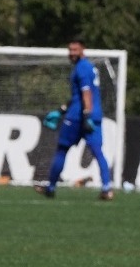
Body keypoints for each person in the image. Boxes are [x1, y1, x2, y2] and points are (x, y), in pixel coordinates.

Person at [39, 39, 112, 201]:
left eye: (75, 50)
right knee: (98, 152)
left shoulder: (81, 69)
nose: (72, 53)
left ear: (83, 50)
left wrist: (85, 115)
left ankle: (50, 188)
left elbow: (86, 94)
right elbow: (79, 95)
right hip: (94, 115)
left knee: (62, 150)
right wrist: (61, 110)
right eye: (70, 50)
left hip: (78, 118)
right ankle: (107, 188)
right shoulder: (90, 68)